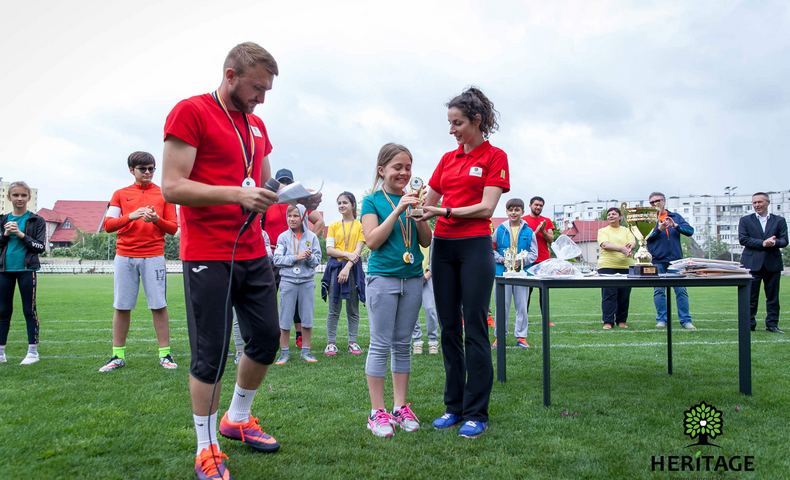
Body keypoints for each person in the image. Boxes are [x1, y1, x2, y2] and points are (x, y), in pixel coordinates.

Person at [162, 42, 321, 480]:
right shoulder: (190, 112)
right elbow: (172, 187)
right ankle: (206, 445)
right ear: (231, 75)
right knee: (209, 355)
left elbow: (265, 191)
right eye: (256, 87)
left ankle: (236, 418)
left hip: (254, 251)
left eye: (267, 90)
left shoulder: (257, 125)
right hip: (207, 252)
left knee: (267, 341)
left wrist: (301, 200)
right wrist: (236, 193)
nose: (261, 98)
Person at [418, 87, 509, 439]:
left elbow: (487, 208)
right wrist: (418, 210)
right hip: (442, 248)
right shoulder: (447, 159)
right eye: (449, 123)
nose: (452, 129)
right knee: (448, 330)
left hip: (474, 248)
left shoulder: (495, 156)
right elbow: (429, 200)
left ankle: (477, 412)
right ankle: (453, 407)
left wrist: (445, 211)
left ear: (477, 120)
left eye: (457, 123)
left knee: (474, 326)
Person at [360, 143, 432, 437]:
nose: (404, 173)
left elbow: (425, 241)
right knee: (380, 344)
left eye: (408, 167)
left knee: (403, 344)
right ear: (382, 171)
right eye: (397, 167)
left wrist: (419, 212)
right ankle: (377, 412)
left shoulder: (414, 200)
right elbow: (372, 241)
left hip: (413, 278)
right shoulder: (371, 201)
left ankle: (400, 407)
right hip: (383, 279)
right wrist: (399, 208)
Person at [99, 151, 179, 372]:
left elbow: (173, 228)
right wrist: (131, 216)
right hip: (124, 256)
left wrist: (157, 220)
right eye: (142, 169)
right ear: (131, 170)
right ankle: (117, 356)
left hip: (153, 256)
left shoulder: (164, 195)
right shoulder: (120, 194)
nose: (147, 173)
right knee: (122, 306)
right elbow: (108, 225)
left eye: (151, 168)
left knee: (158, 305)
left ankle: (165, 355)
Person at [262, 168, 324, 348]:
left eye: (288, 182)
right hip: (274, 256)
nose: (285, 185)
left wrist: (308, 243)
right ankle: (271, 335)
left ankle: (299, 337)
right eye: (281, 182)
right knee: (269, 298)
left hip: (299, 258)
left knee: (298, 298)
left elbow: (319, 221)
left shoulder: (300, 204)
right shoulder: (269, 203)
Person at [0, 181, 46, 365]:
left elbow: (40, 247)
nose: (19, 198)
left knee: (29, 310)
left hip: (27, 270)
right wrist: (5, 234)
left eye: (23, 195)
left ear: (29, 197)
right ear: (9, 197)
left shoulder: (37, 220)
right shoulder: (2, 220)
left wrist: (20, 234)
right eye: (16, 195)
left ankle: (33, 352)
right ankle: (1, 352)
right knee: (3, 311)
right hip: (4, 270)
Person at [273, 205, 322, 363]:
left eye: (295, 216)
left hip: (307, 282)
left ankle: (305, 352)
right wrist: (297, 257)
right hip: (287, 281)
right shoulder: (282, 237)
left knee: (307, 318)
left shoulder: (312, 238)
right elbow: (277, 259)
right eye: (289, 216)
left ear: (303, 217)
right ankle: (285, 352)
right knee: (285, 318)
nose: (292, 219)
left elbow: (316, 261)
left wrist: (308, 257)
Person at [322, 191, 366, 355]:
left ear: (353, 205)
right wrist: (347, 255)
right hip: (335, 269)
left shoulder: (360, 226)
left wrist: (347, 267)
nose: (341, 205)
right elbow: (329, 250)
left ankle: (352, 342)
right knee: (334, 308)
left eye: (345, 202)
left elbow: (358, 250)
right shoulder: (333, 226)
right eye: (339, 203)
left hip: (353, 270)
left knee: (353, 308)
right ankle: (331, 343)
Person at [738, 192, 788, 334]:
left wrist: (774, 243)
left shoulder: (779, 221)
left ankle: (772, 324)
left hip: (772, 263)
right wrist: (763, 243)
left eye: (759, 202)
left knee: (772, 297)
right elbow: (743, 239)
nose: (757, 205)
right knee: (750, 297)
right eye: (754, 203)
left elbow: (784, 240)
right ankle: (749, 324)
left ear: (767, 203)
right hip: (751, 264)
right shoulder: (745, 220)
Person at [646, 192, 697, 330]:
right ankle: (662, 319)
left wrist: (675, 226)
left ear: (664, 201)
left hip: (676, 260)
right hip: (657, 259)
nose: (655, 203)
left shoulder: (675, 217)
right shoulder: (649, 219)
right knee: (659, 291)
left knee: (681, 290)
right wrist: (658, 229)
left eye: (658, 200)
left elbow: (690, 231)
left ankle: (686, 320)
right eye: (652, 202)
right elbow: (645, 238)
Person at [492, 198, 538, 347]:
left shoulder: (529, 231)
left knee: (522, 306)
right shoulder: (499, 230)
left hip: (521, 275)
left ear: (522, 212)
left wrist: (522, 262)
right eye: (510, 209)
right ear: (506, 212)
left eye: (517, 210)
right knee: (501, 306)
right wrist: (502, 259)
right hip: (502, 273)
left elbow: (534, 253)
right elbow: (491, 250)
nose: (513, 212)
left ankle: (521, 336)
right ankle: (500, 337)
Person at [596, 207, 636, 329]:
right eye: (609, 214)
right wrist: (621, 249)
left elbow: (633, 242)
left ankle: (622, 321)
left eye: (614, 214)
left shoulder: (627, 230)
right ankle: (608, 322)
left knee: (624, 295)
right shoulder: (603, 231)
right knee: (609, 295)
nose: (611, 216)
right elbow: (605, 244)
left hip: (627, 266)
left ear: (620, 217)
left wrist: (630, 247)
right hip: (607, 266)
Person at [522, 196, 555, 325]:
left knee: (544, 290)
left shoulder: (546, 221)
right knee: (526, 291)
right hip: (528, 260)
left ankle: (546, 319)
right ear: (530, 205)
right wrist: (536, 231)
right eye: (536, 205)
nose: (538, 207)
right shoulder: (523, 221)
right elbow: (523, 240)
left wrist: (543, 231)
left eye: (541, 205)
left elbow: (551, 240)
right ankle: (523, 319)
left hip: (544, 260)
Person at [411, 240, 439, 354]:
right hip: (412, 277)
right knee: (412, 310)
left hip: (428, 278)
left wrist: (427, 274)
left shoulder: (431, 238)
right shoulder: (409, 236)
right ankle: (417, 341)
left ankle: (433, 340)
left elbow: (434, 259)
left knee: (430, 308)